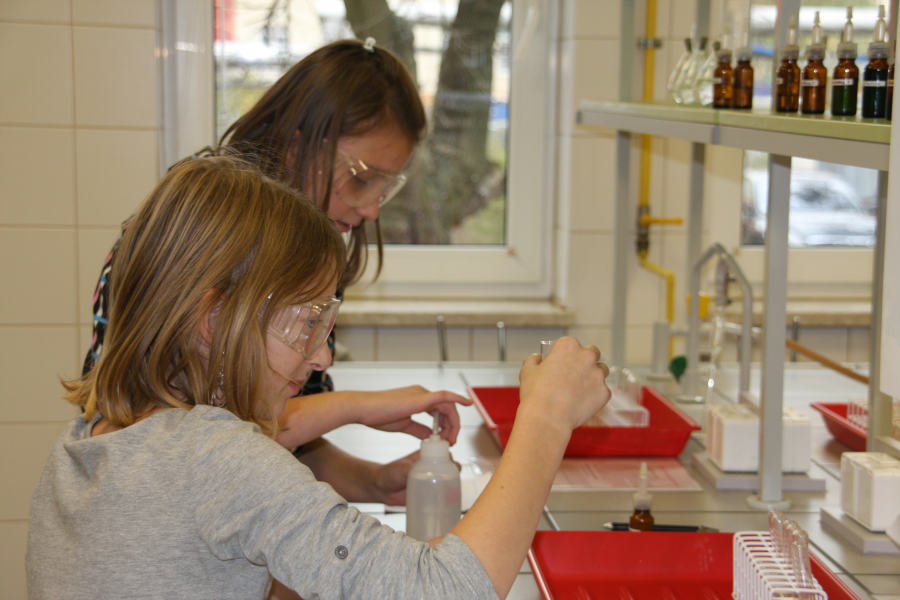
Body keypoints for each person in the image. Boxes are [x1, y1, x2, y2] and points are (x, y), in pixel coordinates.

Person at [27, 154, 611, 600]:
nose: (320, 358)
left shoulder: (89, 438)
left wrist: (357, 430)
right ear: (214, 320)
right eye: (306, 324)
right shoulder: (215, 459)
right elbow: (445, 590)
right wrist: (546, 417)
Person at [82, 38, 468, 507]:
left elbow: (279, 446)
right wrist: (351, 407)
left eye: (386, 189)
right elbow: (176, 444)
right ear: (296, 146)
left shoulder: (311, 248)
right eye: (362, 179)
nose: (371, 209)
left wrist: (373, 481)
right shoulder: (193, 237)